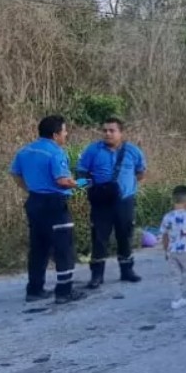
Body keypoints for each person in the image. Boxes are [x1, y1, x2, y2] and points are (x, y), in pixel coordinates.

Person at [10, 115, 86, 305]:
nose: (66, 134)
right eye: (64, 131)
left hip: (34, 202)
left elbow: (16, 175)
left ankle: (34, 290)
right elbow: (61, 180)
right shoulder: (56, 152)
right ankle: (64, 291)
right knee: (64, 247)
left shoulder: (25, 151)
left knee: (38, 247)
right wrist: (77, 184)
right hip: (54, 204)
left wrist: (32, 189)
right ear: (55, 134)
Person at [75, 117, 147, 288]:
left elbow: (140, 172)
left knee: (125, 235)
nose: (107, 133)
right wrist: (94, 189)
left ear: (121, 133)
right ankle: (97, 275)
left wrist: (125, 187)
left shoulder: (133, 151)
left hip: (124, 201)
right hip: (101, 202)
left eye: (111, 130)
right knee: (99, 238)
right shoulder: (93, 150)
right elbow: (81, 173)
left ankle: (127, 271)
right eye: (104, 130)